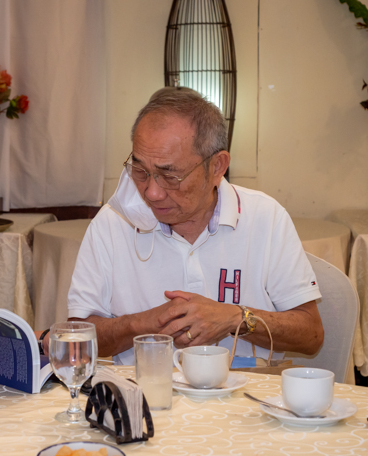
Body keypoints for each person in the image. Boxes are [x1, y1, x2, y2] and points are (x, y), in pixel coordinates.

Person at [44, 87, 323, 365]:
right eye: (140, 170)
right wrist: (144, 323)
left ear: (217, 166)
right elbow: (78, 337)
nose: (151, 192)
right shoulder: (113, 222)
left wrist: (236, 318)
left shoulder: (265, 216)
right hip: (146, 397)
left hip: (246, 397)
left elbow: (311, 335)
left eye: (170, 175)